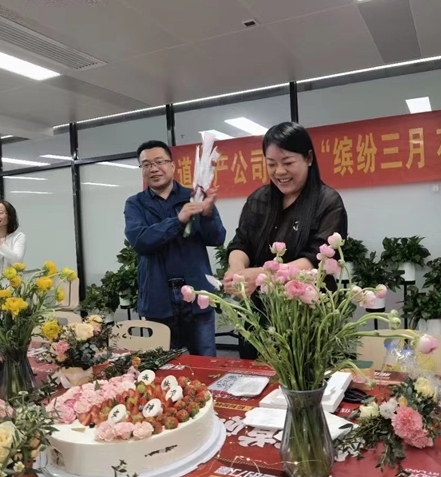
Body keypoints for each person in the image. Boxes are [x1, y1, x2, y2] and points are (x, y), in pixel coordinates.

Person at [225, 122, 348, 358]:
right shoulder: (259, 199)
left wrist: (261, 275)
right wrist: (237, 271)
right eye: (271, 164)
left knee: (303, 375)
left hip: (308, 315)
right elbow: (241, 242)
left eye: (288, 163)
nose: (279, 172)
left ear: (309, 158)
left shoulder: (328, 202)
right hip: (260, 313)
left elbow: (317, 260)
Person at [125, 140, 226, 357]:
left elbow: (217, 238)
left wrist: (207, 214)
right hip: (159, 297)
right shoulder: (135, 204)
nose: (154, 168)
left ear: (172, 165)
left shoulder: (194, 197)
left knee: (206, 362)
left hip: (197, 295)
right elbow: (141, 241)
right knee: (164, 364)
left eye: (159, 162)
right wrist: (178, 221)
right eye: (146, 164)